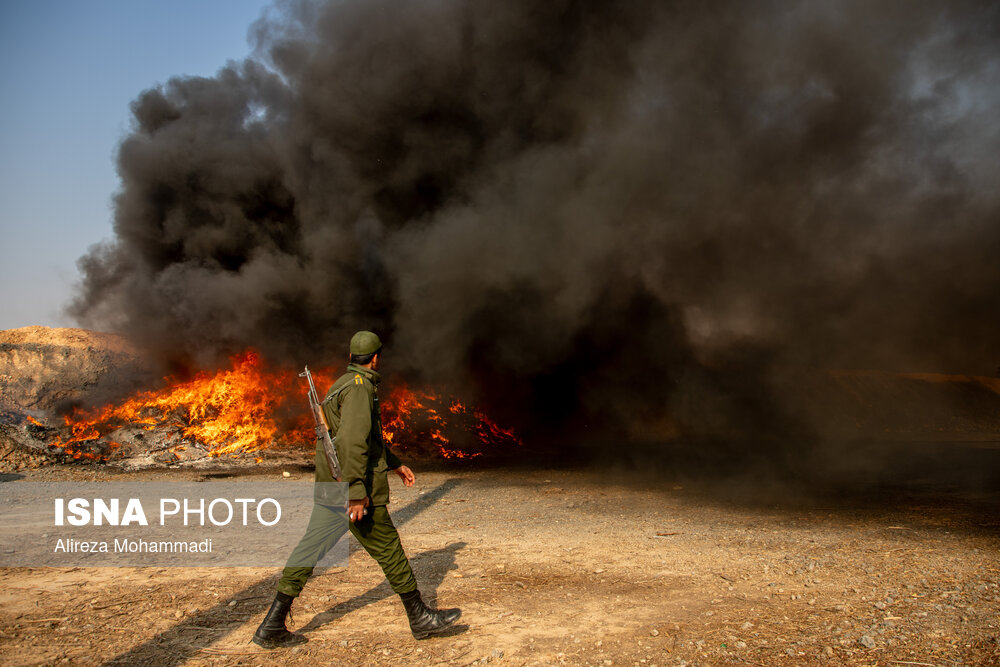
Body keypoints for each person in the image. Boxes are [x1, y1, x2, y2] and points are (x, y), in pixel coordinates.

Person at [253, 331, 461, 648]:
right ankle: (420, 618)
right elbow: (352, 441)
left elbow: (366, 438)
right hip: (352, 491)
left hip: (330, 487)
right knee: (389, 548)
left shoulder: (343, 384)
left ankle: (272, 625)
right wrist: (355, 492)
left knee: (308, 551)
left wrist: (394, 463)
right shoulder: (361, 388)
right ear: (376, 358)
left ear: (351, 357)